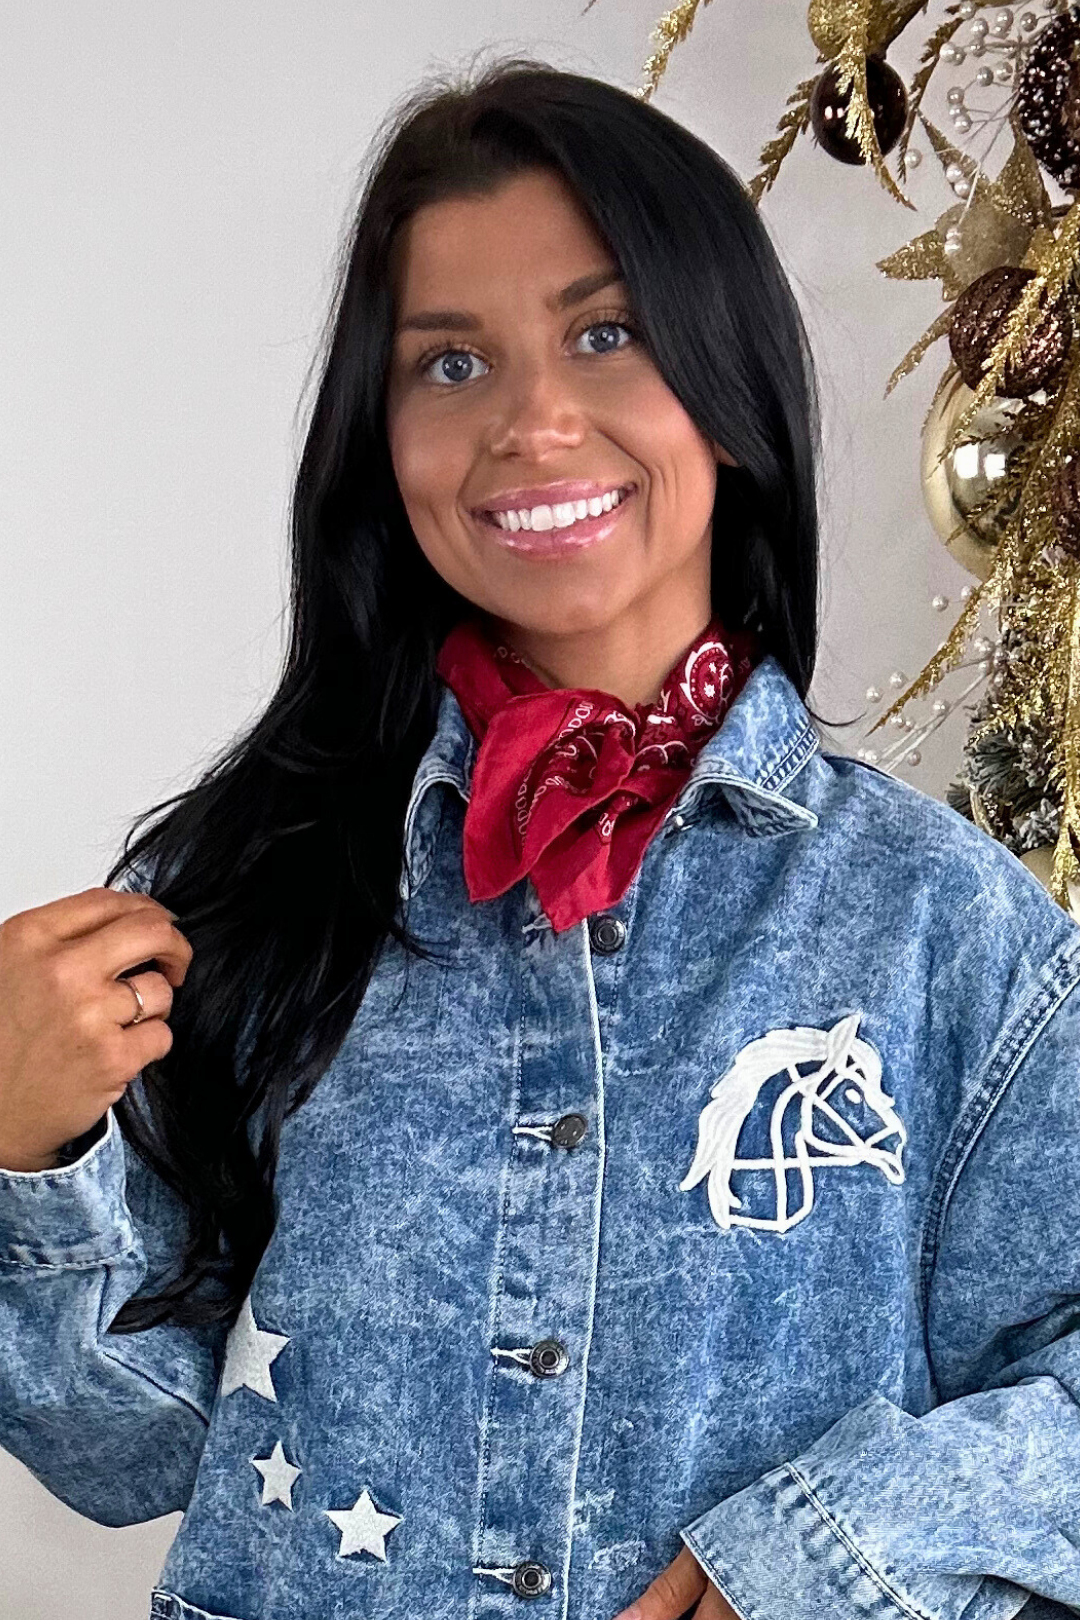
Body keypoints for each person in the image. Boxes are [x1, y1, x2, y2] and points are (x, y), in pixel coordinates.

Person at [1, 55, 1079, 1620]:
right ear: (379, 435)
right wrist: (26, 1150)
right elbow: (131, 1448)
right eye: (449, 364)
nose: (532, 420)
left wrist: (815, 1551)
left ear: (730, 377)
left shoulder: (949, 930)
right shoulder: (241, 891)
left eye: (605, 331)